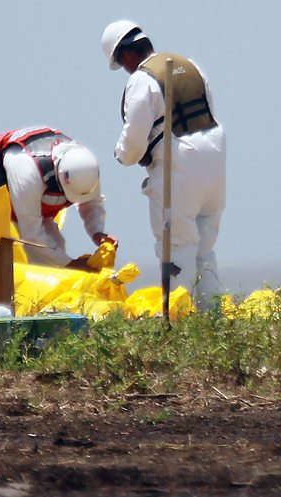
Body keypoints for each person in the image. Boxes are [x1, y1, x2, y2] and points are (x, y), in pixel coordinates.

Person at [101, 20, 226, 308]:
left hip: (179, 167)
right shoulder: (191, 66)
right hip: (215, 161)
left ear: (126, 54)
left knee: (175, 246)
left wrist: (121, 155)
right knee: (204, 248)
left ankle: (178, 319)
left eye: (121, 63)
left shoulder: (142, 80)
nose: (125, 69)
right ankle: (212, 315)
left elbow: (134, 140)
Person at [0, 127, 112, 271]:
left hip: (28, 200)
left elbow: (91, 201)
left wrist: (97, 232)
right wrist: (70, 264)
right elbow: (31, 233)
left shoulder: (85, 167)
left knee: (55, 250)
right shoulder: (28, 172)